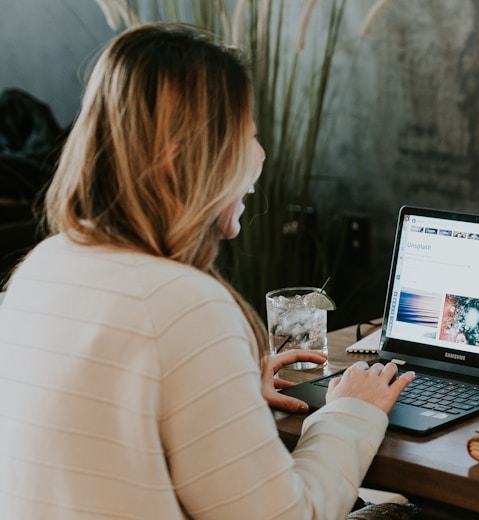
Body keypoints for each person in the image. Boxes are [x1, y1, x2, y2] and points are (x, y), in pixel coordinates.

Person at [0, 23, 418, 518]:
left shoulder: (43, 265)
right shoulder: (184, 304)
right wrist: (354, 411)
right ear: (186, 158)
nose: (260, 156)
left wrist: (227, 387)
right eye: (248, 136)